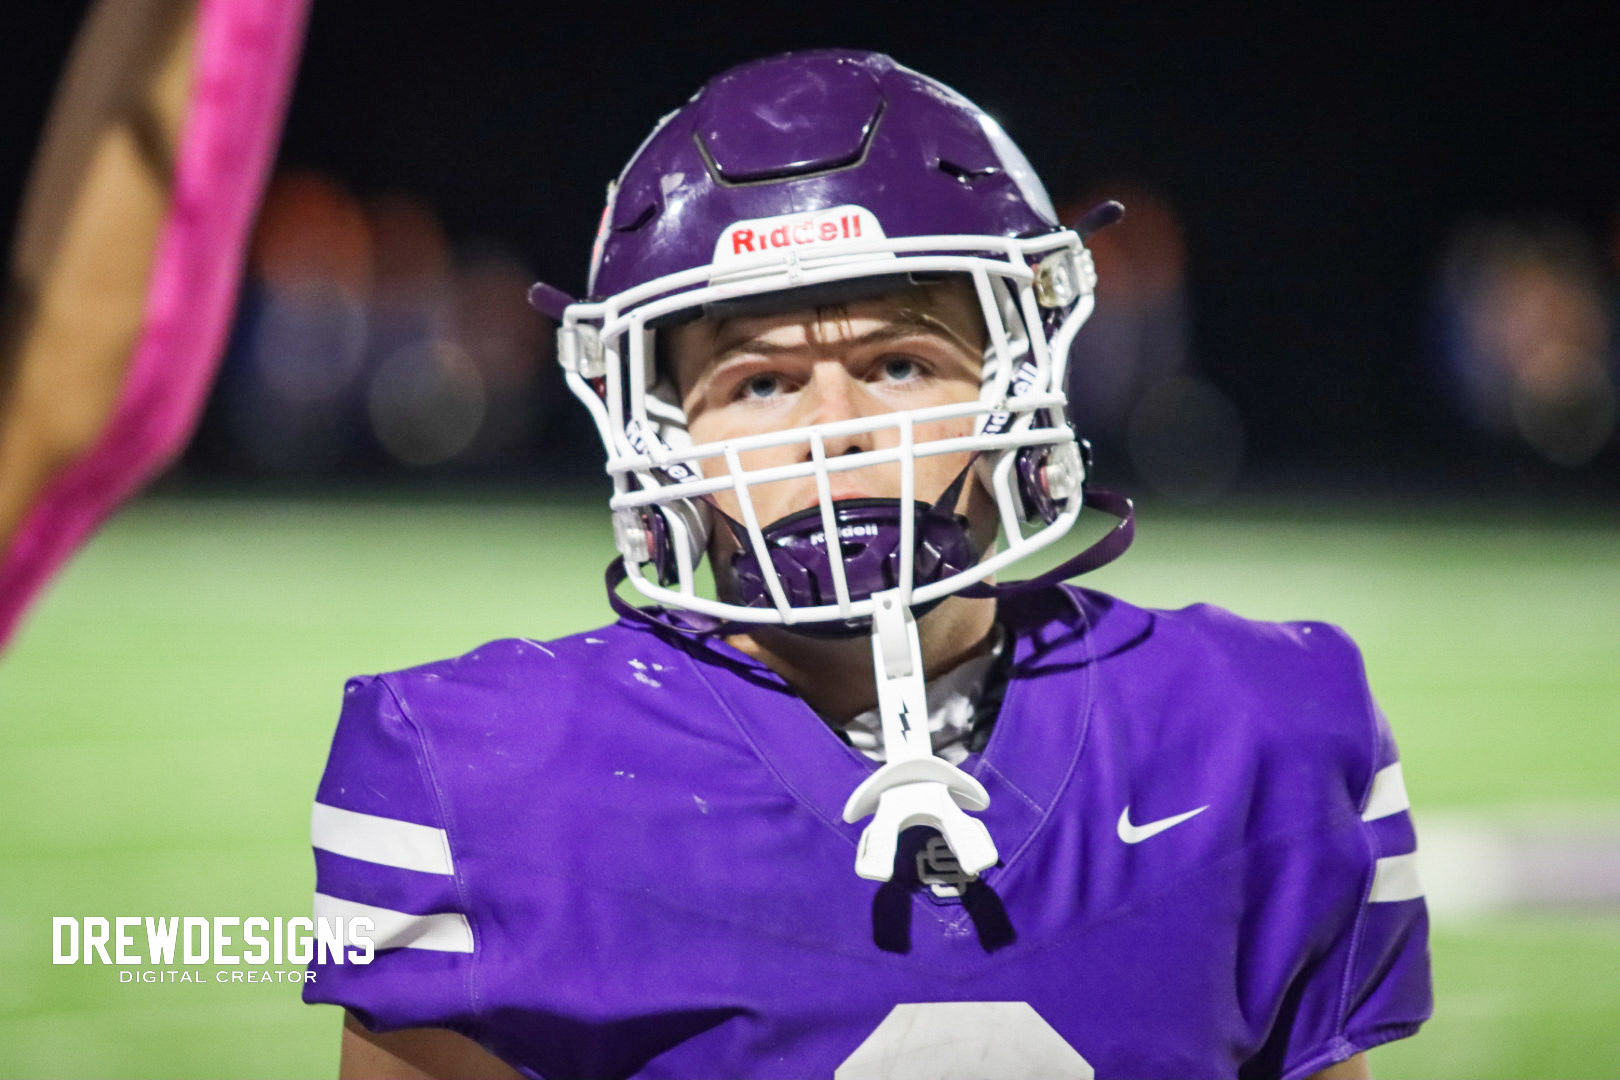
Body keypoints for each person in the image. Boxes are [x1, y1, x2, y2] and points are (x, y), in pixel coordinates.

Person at [304, 50, 1430, 1079]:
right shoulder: (482, 778)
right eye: (760, 382)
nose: (834, 429)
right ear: (660, 433)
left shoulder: (1264, 732)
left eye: (899, 364)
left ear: (1016, 386)